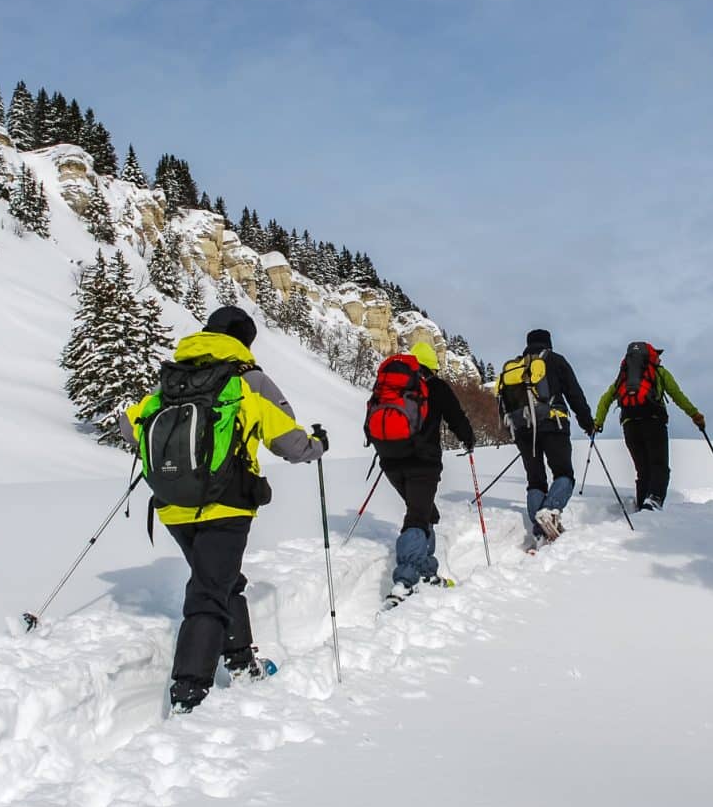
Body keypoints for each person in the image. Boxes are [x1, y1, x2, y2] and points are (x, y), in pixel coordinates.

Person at [121, 305, 327, 714]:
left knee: (220, 579)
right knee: (210, 590)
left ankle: (238, 660)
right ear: (244, 341)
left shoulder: (173, 379)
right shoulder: (248, 379)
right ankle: (189, 691)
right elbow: (288, 440)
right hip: (226, 502)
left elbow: (130, 427)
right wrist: (317, 444)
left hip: (174, 504)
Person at [371, 342, 475, 606]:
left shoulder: (390, 386)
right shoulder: (435, 387)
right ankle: (404, 583)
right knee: (417, 516)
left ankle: (427, 572)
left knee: (425, 511)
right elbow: (456, 418)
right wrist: (469, 440)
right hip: (422, 463)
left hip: (390, 460)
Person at [497, 329, 595, 544]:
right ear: (548, 343)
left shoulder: (516, 367)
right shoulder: (555, 360)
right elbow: (574, 394)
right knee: (564, 474)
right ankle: (550, 511)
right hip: (553, 423)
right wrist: (587, 423)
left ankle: (540, 529)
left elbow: (503, 405)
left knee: (535, 481)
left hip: (523, 429)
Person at [593, 341, 704, 511]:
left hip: (630, 426)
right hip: (654, 421)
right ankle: (653, 501)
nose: (660, 359)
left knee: (642, 470)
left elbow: (605, 400)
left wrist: (598, 423)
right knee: (659, 466)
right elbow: (677, 395)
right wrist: (695, 415)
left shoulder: (623, 377)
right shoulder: (659, 373)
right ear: (652, 357)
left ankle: (641, 506)